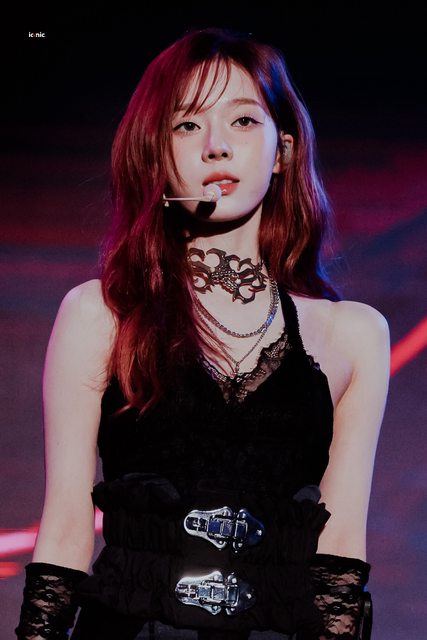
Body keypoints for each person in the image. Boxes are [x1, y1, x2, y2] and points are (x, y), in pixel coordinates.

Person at [15, 27, 390, 640]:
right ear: (156, 156)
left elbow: (341, 549)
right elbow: (64, 529)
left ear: (282, 151)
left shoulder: (354, 334)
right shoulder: (101, 314)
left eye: (242, 120)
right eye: (187, 125)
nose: (216, 146)